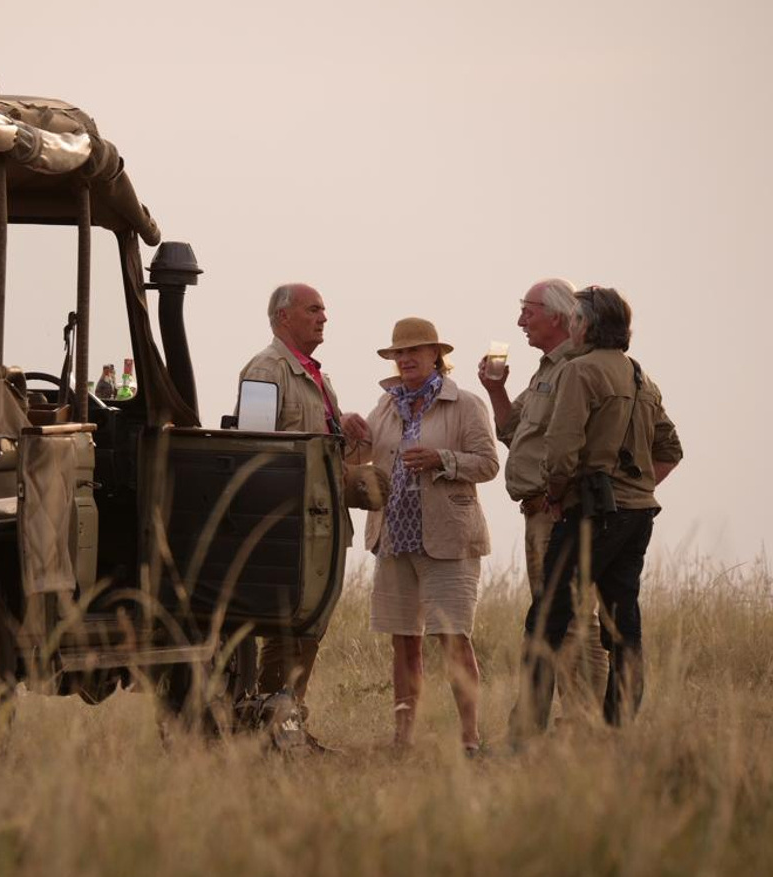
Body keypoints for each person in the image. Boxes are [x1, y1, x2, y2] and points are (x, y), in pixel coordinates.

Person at [512, 286, 682, 736]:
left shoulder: (580, 371)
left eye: (575, 320)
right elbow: (670, 448)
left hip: (588, 514)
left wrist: (556, 491)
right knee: (622, 625)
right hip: (637, 514)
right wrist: (636, 487)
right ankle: (616, 729)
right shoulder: (642, 377)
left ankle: (523, 737)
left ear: (585, 325)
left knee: (546, 621)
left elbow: (561, 451)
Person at [362, 318, 498, 753]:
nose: (405, 359)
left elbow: (488, 464)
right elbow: (361, 457)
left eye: (414, 351)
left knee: (454, 639)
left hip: (448, 538)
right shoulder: (384, 407)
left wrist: (442, 459)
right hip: (393, 536)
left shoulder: (466, 404)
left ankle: (469, 738)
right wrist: (347, 438)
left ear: (436, 355)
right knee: (404, 642)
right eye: (399, 353)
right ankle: (402, 738)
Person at [478, 278, 609, 718]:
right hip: (538, 512)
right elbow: (513, 433)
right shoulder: (546, 369)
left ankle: (584, 721)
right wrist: (496, 390)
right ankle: (555, 722)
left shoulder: (578, 367)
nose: (520, 321)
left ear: (557, 316)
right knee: (554, 617)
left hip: (560, 511)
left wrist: (563, 496)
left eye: (527, 311)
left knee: (574, 621)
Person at [236, 283, 368, 715]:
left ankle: (286, 719)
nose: (324, 317)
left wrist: (343, 428)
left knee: (310, 623)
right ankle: (270, 722)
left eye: (324, 310)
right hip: (291, 523)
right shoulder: (265, 369)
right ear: (283, 317)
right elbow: (253, 450)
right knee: (288, 622)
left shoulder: (316, 376)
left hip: (322, 522)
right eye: (313, 309)